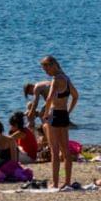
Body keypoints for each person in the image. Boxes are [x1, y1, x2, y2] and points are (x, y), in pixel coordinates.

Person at [41, 56, 79, 189]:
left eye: (46, 68)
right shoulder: (66, 78)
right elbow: (76, 96)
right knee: (66, 151)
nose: (46, 72)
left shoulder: (56, 79)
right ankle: (67, 181)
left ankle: (56, 182)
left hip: (55, 114)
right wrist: (69, 111)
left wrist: (45, 114)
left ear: (52, 65)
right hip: (63, 114)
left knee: (54, 150)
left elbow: (49, 98)